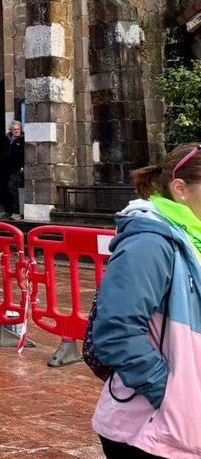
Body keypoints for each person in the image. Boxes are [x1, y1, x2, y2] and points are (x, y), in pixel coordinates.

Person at [88, 143, 201, 457]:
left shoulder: (192, 236)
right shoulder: (151, 242)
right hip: (146, 428)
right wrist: (170, 394)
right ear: (180, 189)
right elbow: (115, 330)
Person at [0, 120, 24, 219]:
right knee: (5, 189)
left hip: (16, 169)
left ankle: (17, 212)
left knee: (12, 188)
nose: (16, 131)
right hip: (4, 169)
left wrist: (22, 167)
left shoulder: (23, 140)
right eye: (14, 129)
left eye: (18, 129)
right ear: (11, 130)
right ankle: (7, 211)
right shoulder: (5, 139)